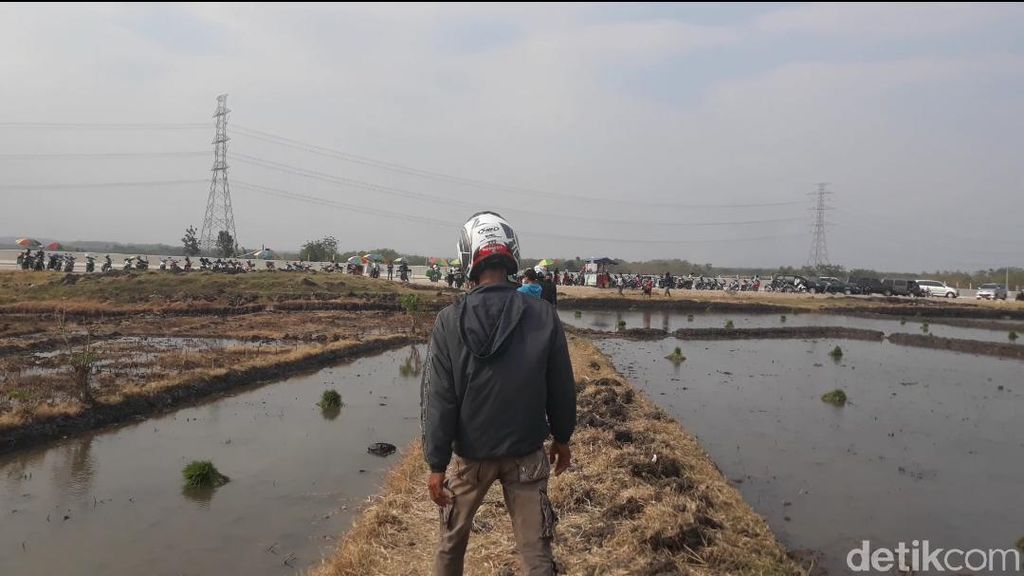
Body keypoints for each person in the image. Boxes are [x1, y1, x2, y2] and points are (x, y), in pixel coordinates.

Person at [422, 211, 576, 576]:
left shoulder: (449, 320)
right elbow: (561, 385)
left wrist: (436, 464)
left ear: (467, 259)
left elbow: (440, 398)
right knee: (535, 547)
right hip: (526, 451)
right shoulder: (542, 314)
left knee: (451, 542)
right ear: (511, 255)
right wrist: (563, 437)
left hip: (472, 453)